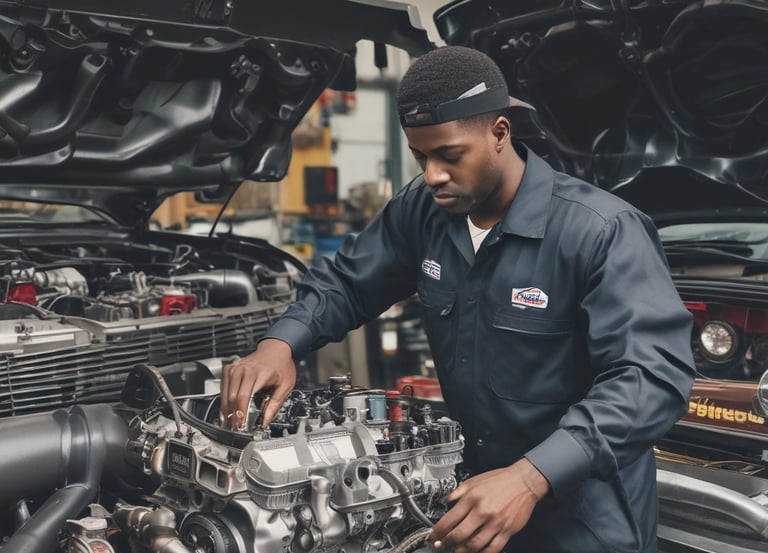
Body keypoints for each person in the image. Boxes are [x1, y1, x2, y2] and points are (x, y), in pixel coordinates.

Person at [221, 46, 696, 553]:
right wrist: (279, 344)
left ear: (499, 133)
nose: (432, 176)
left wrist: (530, 477)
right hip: (466, 501)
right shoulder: (422, 211)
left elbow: (650, 380)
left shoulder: (601, 232)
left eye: (449, 156)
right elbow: (348, 283)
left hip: (582, 519)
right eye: (421, 157)